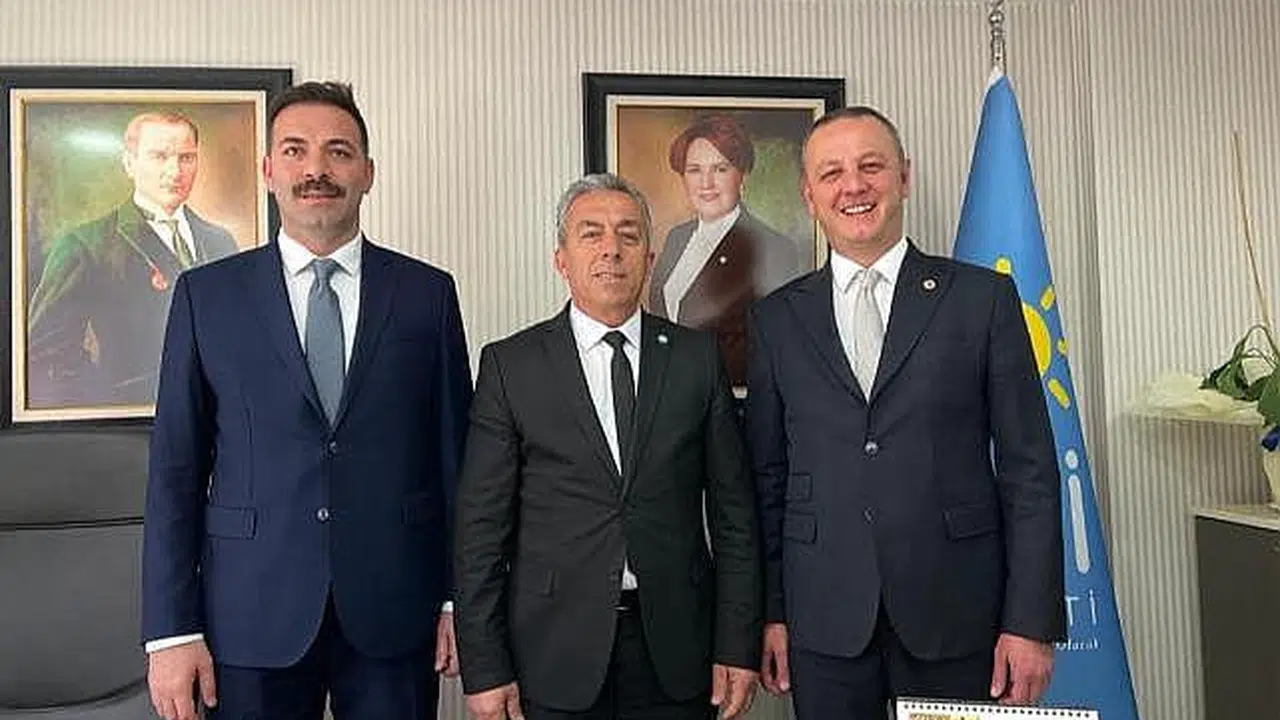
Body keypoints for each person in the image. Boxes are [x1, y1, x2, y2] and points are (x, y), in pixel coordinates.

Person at [141, 82, 472, 720]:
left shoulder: (427, 294)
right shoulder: (206, 297)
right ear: (269, 170)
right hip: (248, 614)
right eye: (295, 151)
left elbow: (456, 461)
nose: (316, 169)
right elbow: (174, 472)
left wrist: (459, 600)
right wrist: (171, 630)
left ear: (368, 173)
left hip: (395, 608)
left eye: (338, 152)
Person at [746, 106, 1065, 719]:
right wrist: (772, 612)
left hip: (960, 614)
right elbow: (768, 480)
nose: (854, 186)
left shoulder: (982, 300)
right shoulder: (776, 320)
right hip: (823, 621)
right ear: (809, 196)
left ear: (904, 177)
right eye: (832, 173)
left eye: (871, 166)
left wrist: (1030, 622)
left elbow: (1029, 470)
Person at [454, 173, 762, 720]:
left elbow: (734, 514)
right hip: (553, 650)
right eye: (591, 233)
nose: (611, 249)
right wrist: (485, 665)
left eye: (628, 234)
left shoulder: (696, 359)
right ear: (561, 260)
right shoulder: (511, 366)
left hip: (677, 648)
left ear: (649, 258)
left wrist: (737, 645)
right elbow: (480, 529)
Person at [26, 110, 239, 408]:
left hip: (216, 416)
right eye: (159, 156)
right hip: (131, 417)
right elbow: (45, 354)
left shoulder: (221, 241)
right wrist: (111, 402)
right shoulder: (84, 245)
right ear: (129, 163)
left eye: (186, 157)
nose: (175, 171)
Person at [647, 113, 800, 386]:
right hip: (670, 396)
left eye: (720, 169)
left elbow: (776, 347)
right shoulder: (677, 238)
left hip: (733, 401)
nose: (706, 183)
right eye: (695, 170)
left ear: (742, 175)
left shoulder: (774, 247)